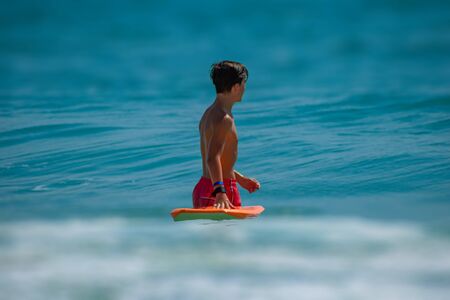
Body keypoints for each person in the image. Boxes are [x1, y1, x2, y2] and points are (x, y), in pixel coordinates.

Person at [192, 60, 261, 209]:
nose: (245, 88)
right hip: (220, 190)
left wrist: (240, 179)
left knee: (210, 232)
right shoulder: (225, 119)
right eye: (244, 84)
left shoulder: (208, 115)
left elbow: (216, 160)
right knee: (228, 232)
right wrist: (220, 192)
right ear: (236, 87)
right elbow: (212, 158)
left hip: (203, 188)